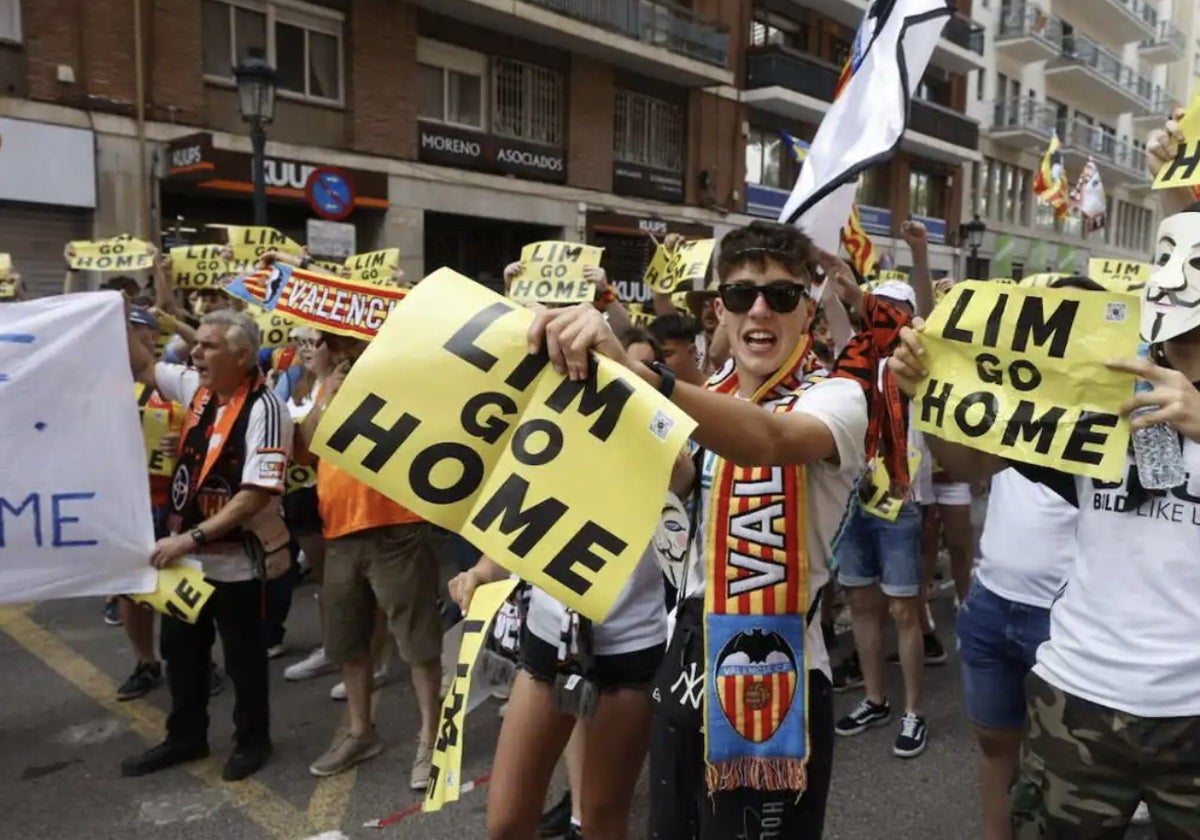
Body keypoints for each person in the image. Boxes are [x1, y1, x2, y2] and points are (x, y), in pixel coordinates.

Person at [527, 220, 868, 838]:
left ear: (808, 312)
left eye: (781, 296)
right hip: (685, 657)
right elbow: (678, 486)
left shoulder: (837, 396)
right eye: (741, 295)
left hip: (775, 673)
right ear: (719, 311)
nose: (760, 310)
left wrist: (644, 376)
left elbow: (770, 440)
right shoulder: (702, 396)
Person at [888, 200, 1200, 836]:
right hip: (1076, 698)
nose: (1181, 347)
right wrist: (931, 396)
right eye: (1178, 334)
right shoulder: (1110, 398)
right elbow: (973, 464)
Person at [120, 308, 291, 782]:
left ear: (241, 355)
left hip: (237, 563)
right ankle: (186, 737)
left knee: (244, 660)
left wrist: (189, 538)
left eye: (208, 346)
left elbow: (255, 493)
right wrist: (118, 315)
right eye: (196, 346)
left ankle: (253, 741)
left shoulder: (266, 409)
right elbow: (144, 366)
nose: (194, 352)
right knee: (182, 653)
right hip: (188, 563)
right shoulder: (199, 390)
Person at [299, 333, 442, 789]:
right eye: (333, 345)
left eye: (345, 345)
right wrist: (329, 394)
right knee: (348, 640)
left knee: (416, 640)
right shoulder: (327, 382)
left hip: (395, 526)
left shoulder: (400, 374)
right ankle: (361, 732)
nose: (339, 351)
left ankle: (430, 739)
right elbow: (309, 446)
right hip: (341, 530)